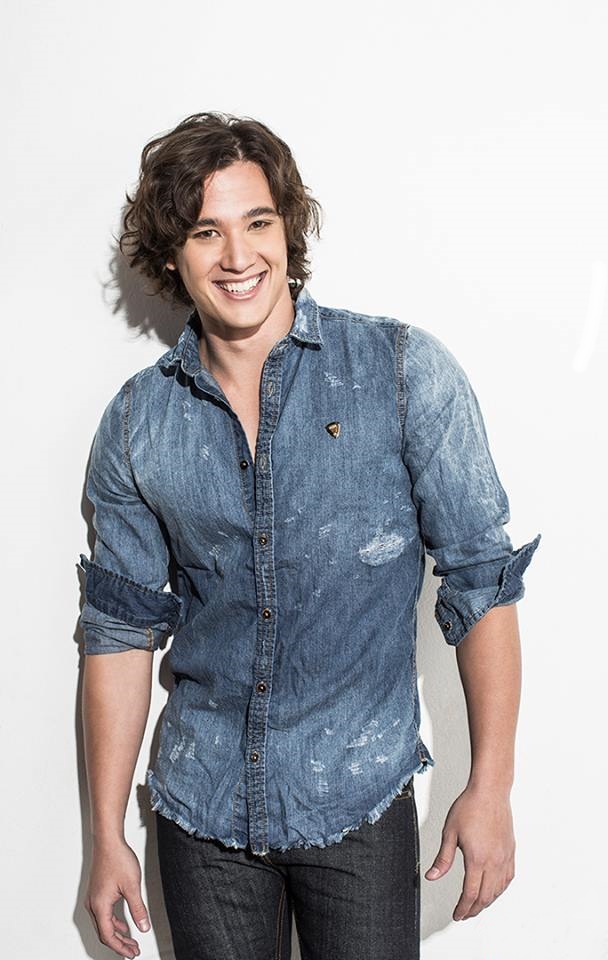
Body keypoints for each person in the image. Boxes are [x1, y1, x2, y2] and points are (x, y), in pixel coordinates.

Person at [78, 111, 541, 960]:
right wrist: (106, 835)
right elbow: (119, 633)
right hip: (202, 810)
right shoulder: (140, 422)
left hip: (357, 799)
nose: (238, 255)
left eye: (257, 222)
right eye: (206, 232)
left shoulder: (401, 374)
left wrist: (492, 787)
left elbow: (482, 581)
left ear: (288, 227)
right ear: (173, 254)